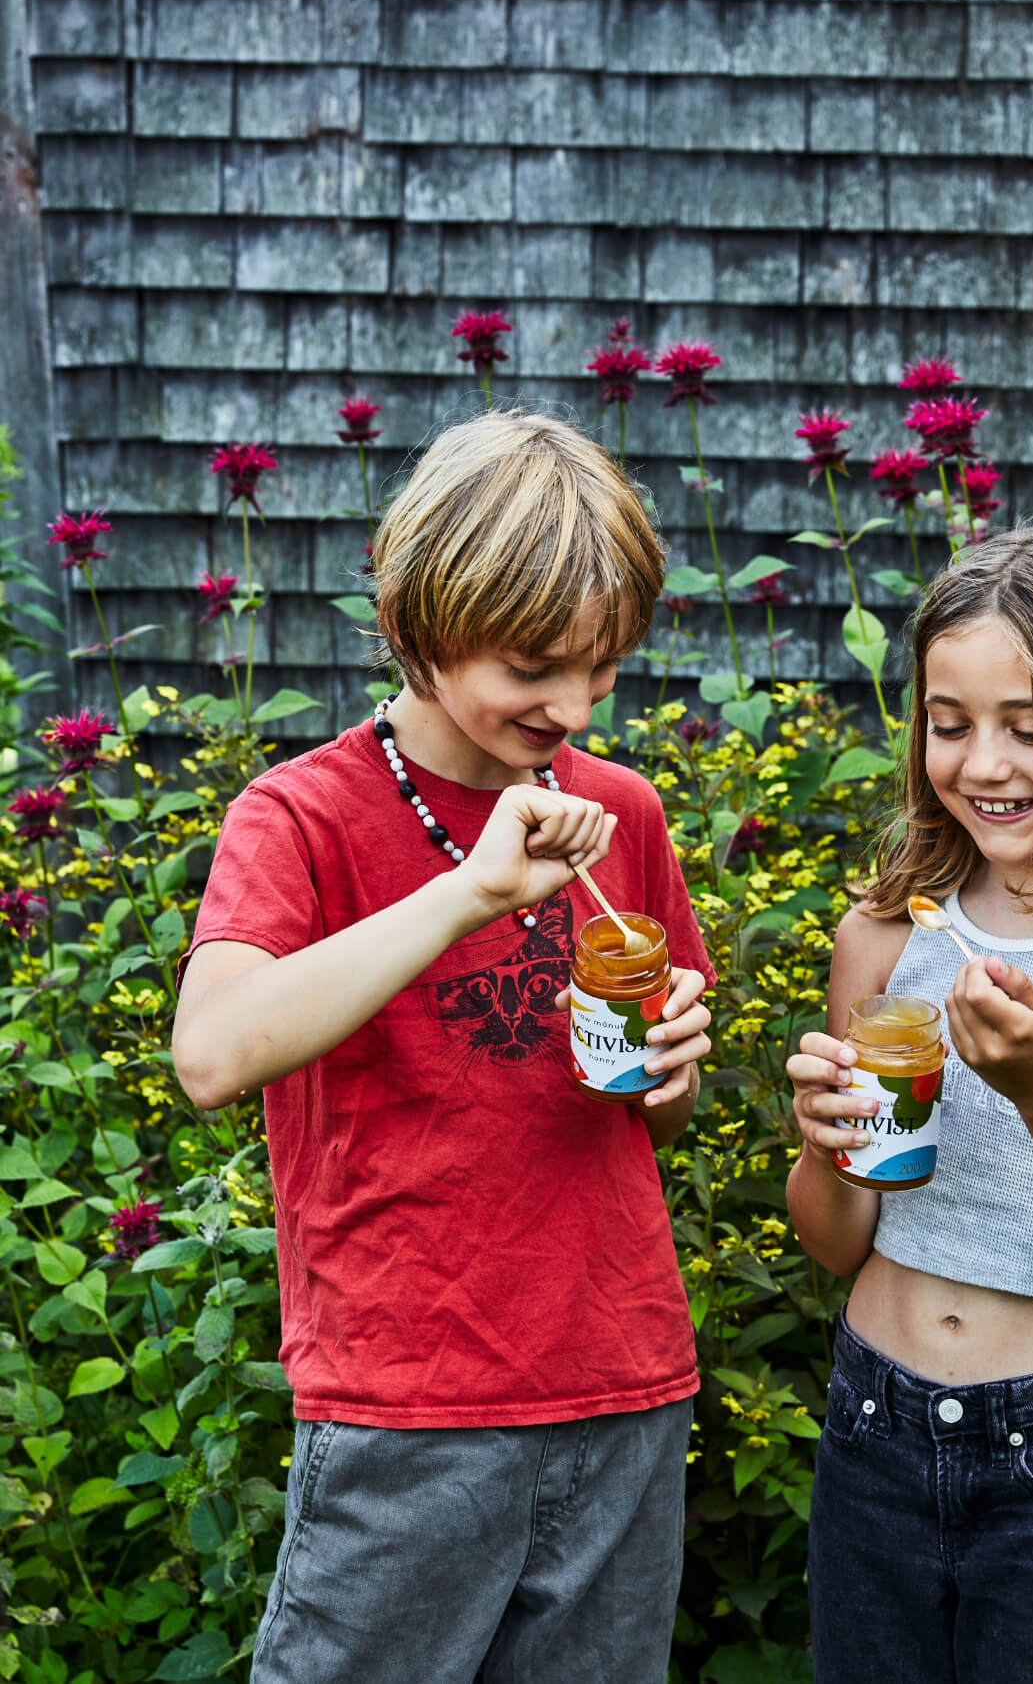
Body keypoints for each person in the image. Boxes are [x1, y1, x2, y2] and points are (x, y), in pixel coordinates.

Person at [171, 409, 715, 1684]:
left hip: (623, 1382)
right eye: (534, 665)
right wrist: (471, 892)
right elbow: (213, 1054)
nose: (571, 705)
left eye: (601, 667)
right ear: (422, 619)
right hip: (406, 1407)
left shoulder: (619, 810)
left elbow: (647, 1118)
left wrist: (671, 1072)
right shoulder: (299, 817)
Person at [785, 522, 1033, 1684]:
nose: (985, 766)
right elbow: (839, 1242)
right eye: (950, 726)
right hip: (874, 1430)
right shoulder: (886, 936)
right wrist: (825, 1149)